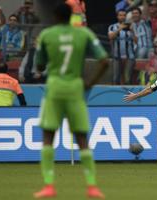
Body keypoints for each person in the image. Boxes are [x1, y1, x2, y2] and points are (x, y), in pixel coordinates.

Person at [33, 3, 108, 198]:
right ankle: (92, 186)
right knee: (82, 138)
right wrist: (90, 82)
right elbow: (105, 60)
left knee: (48, 136)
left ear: (56, 17)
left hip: (55, 88)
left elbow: (40, 67)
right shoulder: (84, 34)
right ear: (70, 17)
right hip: (75, 87)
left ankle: (49, 185)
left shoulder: (47, 36)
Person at [108, 9, 136, 85]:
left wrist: (132, 31)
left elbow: (136, 41)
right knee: (115, 78)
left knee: (128, 79)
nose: (122, 17)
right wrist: (120, 28)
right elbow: (110, 37)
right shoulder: (112, 27)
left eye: (124, 15)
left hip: (129, 56)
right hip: (117, 56)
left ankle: (128, 96)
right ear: (117, 16)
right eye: (120, 15)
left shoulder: (131, 27)